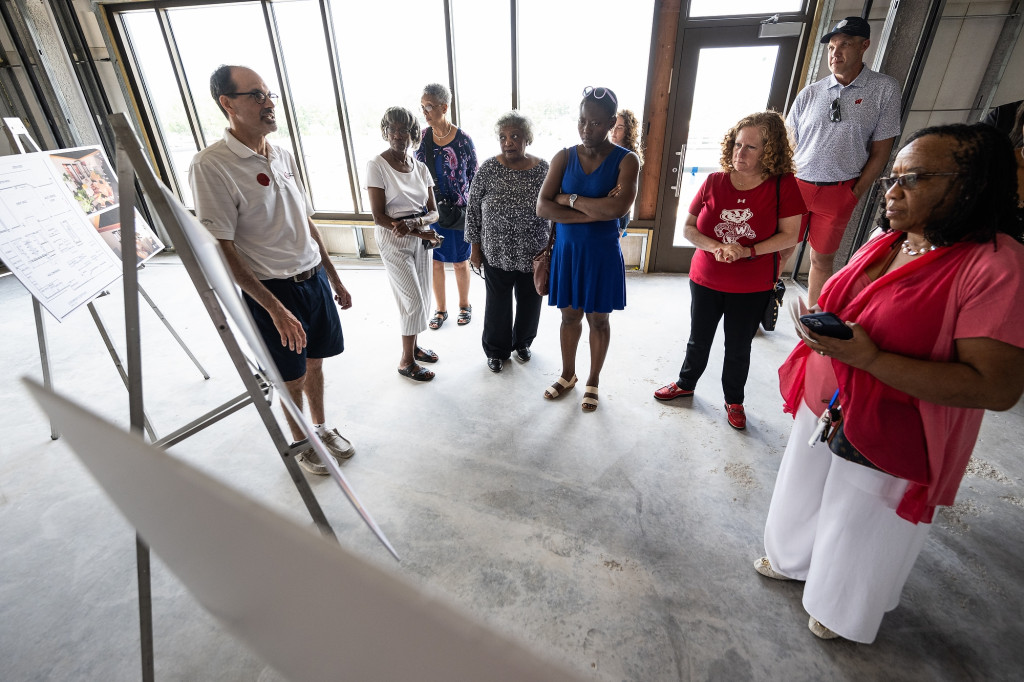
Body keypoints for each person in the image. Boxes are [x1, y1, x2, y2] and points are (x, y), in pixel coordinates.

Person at [755, 124, 1024, 643]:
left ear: (969, 183)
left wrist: (871, 359)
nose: (892, 191)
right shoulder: (891, 238)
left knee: (862, 517)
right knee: (805, 487)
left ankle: (839, 606)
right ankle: (793, 560)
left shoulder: (996, 266)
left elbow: (995, 387)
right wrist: (823, 327)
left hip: (897, 419)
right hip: (832, 397)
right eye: (892, 177)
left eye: (914, 178)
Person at [190, 65, 354, 475]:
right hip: (272, 289)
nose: (269, 103)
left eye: (269, 94)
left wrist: (332, 275)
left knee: (316, 362)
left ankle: (319, 427)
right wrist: (274, 308)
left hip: (313, 278)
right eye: (256, 95)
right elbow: (221, 246)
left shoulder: (280, 154)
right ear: (227, 104)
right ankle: (302, 443)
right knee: (290, 375)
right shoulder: (212, 165)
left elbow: (305, 220)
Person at [653, 112, 805, 429]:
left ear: (770, 151)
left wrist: (746, 251)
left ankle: (734, 400)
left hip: (751, 285)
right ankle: (686, 383)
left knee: (738, 347)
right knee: (698, 339)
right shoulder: (714, 181)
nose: (740, 153)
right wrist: (717, 248)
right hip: (706, 278)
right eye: (737, 144)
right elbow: (689, 228)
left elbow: (791, 235)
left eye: (751, 147)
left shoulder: (783, 186)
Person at [782, 16, 901, 306]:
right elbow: (787, 145)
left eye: (845, 44)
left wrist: (854, 193)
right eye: (832, 46)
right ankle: (756, 308)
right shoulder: (810, 92)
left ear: (864, 46)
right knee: (779, 251)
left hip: (839, 190)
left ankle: (813, 323)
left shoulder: (884, 89)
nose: (835, 53)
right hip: (797, 186)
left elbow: (881, 151)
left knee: (821, 260)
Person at [536, 86, 640, 412]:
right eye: (582, 121)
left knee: (598, 321)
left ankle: (593, 380)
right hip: (568, 254)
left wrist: (569, 200)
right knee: (569, 318)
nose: (586, 129)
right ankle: (568, 375)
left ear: (611, 122)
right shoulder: (564, 157)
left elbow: (616, 210)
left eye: (595, 123)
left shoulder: (627, 161)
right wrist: (590, 210)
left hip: (601, 255)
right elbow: (542, 207)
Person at [466, 111, 550, 372]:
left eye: (515, 136)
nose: (508, 142)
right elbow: (472, 210)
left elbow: (554, 205)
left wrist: (552, 248)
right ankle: (496, 350)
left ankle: (523, 343)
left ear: (528, 139)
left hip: (532, 251)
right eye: (503, 137)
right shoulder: (489, 168)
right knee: (497, 304)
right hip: (496, 251)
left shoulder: (543, 169)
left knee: (530, 301)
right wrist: (475, 248)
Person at [365, 106, 443, 382]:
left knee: (423, 295)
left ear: (413, 135)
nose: (398, 135)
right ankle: (405, 361)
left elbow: (435, 212)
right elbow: (378, 216)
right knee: (411, 300)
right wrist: (415, 228)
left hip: (419, 234)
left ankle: (414, 346)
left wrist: (417, 226)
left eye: (404, 130)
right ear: (385, 133)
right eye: (392, 129)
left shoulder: (420, 168)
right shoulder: (377, 165)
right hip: (393, 237)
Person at [415, 83, 478, 330]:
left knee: (461, 261)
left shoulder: (463, 140)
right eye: (422, 107)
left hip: (459, 212)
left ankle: (465, 305)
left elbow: (475, 176)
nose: (425, 112)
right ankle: (440, 309)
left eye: (429, 106)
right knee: (436, 261)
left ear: (444, 107)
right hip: (430, 211)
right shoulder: (421, 138)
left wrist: (473, 211)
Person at [610, 109, 644, 235]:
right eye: (613, 127)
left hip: (621, 213)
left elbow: (621, 191)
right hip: (607, 208)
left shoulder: (631, 157)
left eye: (619, 128)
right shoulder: (607, 151)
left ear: (628, 131)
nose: (614, 132)